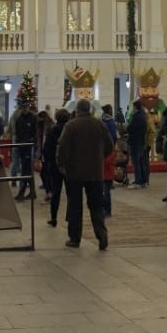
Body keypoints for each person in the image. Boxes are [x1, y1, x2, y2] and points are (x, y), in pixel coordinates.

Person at [56, 98, 113, 249]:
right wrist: (99, 158)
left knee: (75, 206)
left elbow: (62, 147)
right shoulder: (100, 125)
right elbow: (110, 146)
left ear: (78, 110)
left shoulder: (71, 125)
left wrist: (62, 164)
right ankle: (102, 236)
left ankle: (75, 238)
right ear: (90, 109)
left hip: (75, 172)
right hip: (95, 172)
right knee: (96, 206)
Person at [43, 108, 69, 227]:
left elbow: (46, 149)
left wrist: (49, 161)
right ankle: (70, 216)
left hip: (55, 165)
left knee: (56, 193)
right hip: (70, 166)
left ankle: (53, 218)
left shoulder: (52, 131)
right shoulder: (70, 129)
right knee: (71, 193)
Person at [13, 101, 38, 200]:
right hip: (22, 147)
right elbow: (18, 133)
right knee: (27, 170)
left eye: (26, 107)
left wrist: (34, 145)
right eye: (23, 107)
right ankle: (32, 192)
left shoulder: (33, 118)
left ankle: (22, 192)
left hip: (29, 147)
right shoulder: (19, 119)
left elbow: (35, 132)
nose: (24, 109)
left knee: (25, 171)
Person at [126, 100, 151, 188]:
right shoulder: (143, 116)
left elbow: (130, 128)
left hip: (135, 142)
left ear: (135, 107)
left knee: (136, 162)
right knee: (141, 161)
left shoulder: (137, 117)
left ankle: (138, 181)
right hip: (141, 141)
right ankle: (143, 180)